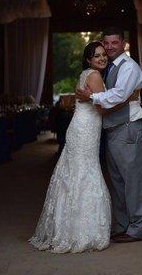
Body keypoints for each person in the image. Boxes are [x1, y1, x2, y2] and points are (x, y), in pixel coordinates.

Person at [29, 42, 111, 253]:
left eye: (103, 55)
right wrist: (125, 100)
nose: (102, 58)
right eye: (97, 56)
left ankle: (66, 230)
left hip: (80, 127)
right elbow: (103, 109)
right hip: (86, 129)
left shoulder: (86, 74)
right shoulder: (94, 76)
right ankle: (82, 232)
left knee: (74, 173)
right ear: (88, 60)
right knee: (85, 172)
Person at [76, 27, 142, 243]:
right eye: (105, 43)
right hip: (113, 129)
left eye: (113, 43)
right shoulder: (109, 67)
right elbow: (117, 95)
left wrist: (92, 97)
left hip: (128, 127)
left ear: (123, 43)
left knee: (134, 181)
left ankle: (138, 230)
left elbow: (118, 95)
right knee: (117, 181)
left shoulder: (129, 66)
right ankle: (122, 224)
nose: (108, 47)